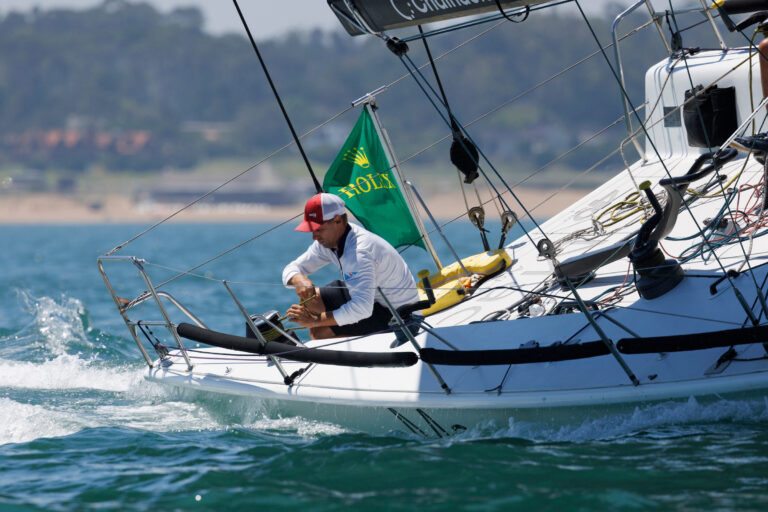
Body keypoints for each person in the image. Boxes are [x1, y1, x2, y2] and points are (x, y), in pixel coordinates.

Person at [283, 193, 419, 340]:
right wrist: (299, 280)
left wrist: (315, 321)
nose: (314, 237)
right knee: (311, 298)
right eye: (312, 230)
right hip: (373, 298)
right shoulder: (330, 240)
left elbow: (362, 308)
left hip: (400, 315)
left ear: (337, 220)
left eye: (319, 229)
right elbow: (292, 268)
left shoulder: (359, 251)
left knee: (320, 332)